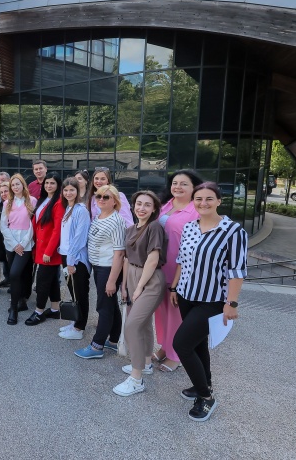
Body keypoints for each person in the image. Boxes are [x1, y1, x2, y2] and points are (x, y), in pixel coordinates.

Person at [171, 182, 247, 422]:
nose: (203, 203)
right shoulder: (189, 227)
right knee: (197, 344)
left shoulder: (233, 231)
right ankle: (203, 383)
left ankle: (206, 397)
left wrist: (231, 304)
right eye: (199, 199)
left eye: (209, 199)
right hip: (186, 294)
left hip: (212, 300)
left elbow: (237, 270)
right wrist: (174, 287)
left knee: (181, 344)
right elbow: (181, 259)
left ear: (219, 201)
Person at [113, 191, 168, 397]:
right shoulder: (130, 229)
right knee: (143, 323)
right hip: (133, 276)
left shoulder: (154, 227)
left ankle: (136, 379)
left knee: (132, 325)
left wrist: (138, 288)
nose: (142, 208)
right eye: (138, 204)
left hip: (150, 279)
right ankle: (145, 363)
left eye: (147, 205)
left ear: (154, 209)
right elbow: (127, 259)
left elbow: (153, 260)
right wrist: (126, 285)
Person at [153, 169, 203, 372]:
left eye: (184, 184)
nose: (178, 187)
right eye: (175, 183)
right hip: (158, 267)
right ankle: (165, 346)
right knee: (161, 311)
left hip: (181, 270)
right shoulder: (165, 205)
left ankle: (176, 355)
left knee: (176, 312)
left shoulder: (196, 210)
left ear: (194, 188)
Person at [74, 184, 126, 359]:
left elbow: (119, 253)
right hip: (98, 267)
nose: (101, 199)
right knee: (110, 304)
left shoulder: (117, 221)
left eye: (106, 197)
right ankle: (113, 340)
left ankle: (97, 346)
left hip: (108, 268)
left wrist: (112, 280)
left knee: (103, 307)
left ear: (115, 201)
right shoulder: (99, 216)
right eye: (98, 196)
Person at [25, 173, 64, 325]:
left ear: (58, 185)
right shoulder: (43, 200)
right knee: (53, 280)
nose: (48, 186)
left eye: (52, 183)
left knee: (41, 281)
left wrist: (48, 251)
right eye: (47, 183)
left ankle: (39, 311)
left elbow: (57, 230)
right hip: (41, 247)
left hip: (49, 250)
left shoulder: (59, 202)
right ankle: (55, 309)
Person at [57, 177, 91, 340]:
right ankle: (75, 321)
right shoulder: (67, 209)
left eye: (72, 189)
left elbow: (79, 239)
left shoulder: (81, 210)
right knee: (73, 292)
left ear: (78, 191)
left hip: (76, 259)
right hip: (66, 256)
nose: (68, 193)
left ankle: (79, 328)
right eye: (65, 190)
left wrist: (70, 261)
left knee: (80, 292)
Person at [1, 174, 37, 325]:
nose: (15, 187)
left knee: (15, 274)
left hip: (26, 243)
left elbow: (32, 225)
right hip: (11, 243)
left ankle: (13, 308)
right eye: (13, 185)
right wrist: (14, 244)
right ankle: (21, 302)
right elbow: (3, 225)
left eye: (17, 184)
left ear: (23, 185)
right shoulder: (7, 203)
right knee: (16, 274)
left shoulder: (32, 201)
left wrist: (22, 243)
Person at [0, 172, 11, 287]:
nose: (0, 182)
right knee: (4, 259)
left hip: (14, 236)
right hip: (0, 235)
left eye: (3, 180)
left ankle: (14, 281)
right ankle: (7, 278)